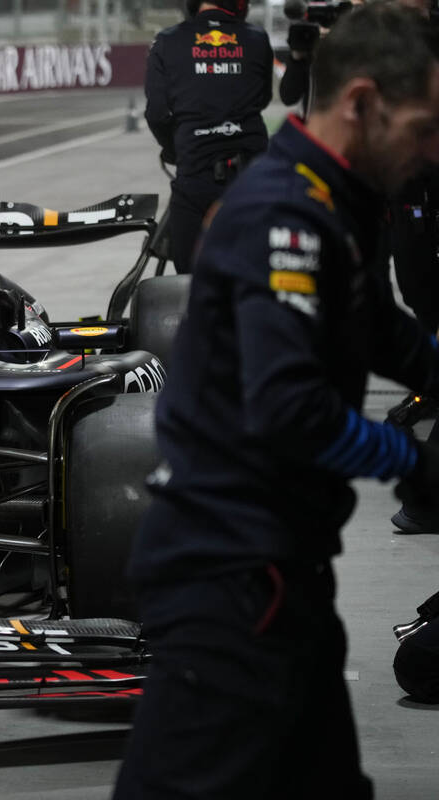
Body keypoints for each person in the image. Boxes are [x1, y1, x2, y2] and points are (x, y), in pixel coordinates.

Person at [114, 5, 439, 798]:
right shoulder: (281, 214)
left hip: (284, 570)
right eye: (425, 127)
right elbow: (287, 409)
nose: (433, 149)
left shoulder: (339, 196)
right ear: (361, 103)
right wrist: (414, 461)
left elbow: (381, 330)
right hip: (227, 577)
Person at [144, 0, 273, 274]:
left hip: (195, 180)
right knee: (257, 282)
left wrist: (176, 150)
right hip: (252, 180)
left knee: (191, 287)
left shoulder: (167, 42)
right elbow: (263, 99)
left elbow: (156, 114)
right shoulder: (257, 39)